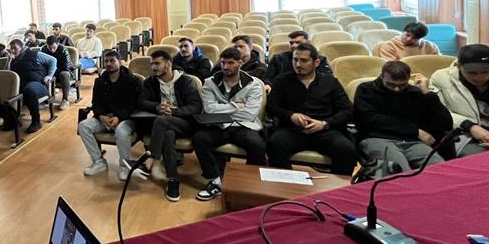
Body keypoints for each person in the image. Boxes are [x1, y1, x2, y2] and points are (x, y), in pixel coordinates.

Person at [266, 42, 358, 176]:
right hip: (293, 129)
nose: (298, 64)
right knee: (275, 144)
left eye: (304, 60)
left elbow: (347, 110)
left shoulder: (330, 82)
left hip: (325, 130)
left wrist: (324, 123)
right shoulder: (282, 81)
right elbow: (271, 107)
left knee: (346, 149)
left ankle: (335, 187)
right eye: (295, 60)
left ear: (316, 62)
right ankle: (287, 184)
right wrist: (290, 115)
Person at [353, 60, 453, 176]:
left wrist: (427, 93)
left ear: (408, 79)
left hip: (411, 141)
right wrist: (414, 131)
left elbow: (446, 123)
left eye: (402, 85)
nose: (397, 89)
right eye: (391, 84)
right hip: (377, 139)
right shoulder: (366, 90)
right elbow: (370, 119)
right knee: (400, 173)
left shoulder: (414, 92)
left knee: (441, 171)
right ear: (381, 76)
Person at [191, 47, 266, 201]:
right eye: (223, 62)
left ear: (240, 63)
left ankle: (249, 181)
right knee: (200, 138)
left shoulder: (253, 84)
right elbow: (209, 109)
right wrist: (235, 106)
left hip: (244, 126)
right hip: (219, 125)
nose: (225, 67)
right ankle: (215, 180)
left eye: (230, 63)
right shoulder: (210, 83)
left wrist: (221, 108)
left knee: (257, 145)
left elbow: (250, 114)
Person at [131, 50, 203, 201]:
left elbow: (195, 107)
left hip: (185, 123)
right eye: (152, 64)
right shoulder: (150, 81)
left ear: (168, 64)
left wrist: (174, 111)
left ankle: (151, 159)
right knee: (167, 134)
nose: (153, 67)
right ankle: (173, 180)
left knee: (162, 121)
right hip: (164, 126)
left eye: (157, 63)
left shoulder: (186, 81)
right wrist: (157, 107)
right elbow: (141, 102)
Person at [78, 49, 141, 180]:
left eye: (112, 61)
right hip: (105, 118)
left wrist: (118, 117)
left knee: (121, 131)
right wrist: (101, 116)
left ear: (120, 62)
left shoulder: (132, 80)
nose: (108, 64)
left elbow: (133, 105)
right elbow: (96, 103)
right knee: (83, 126)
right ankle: (98, 161)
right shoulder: (100, 81)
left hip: (126, 118)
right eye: (106, 61)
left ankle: (124, 166)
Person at [430, 44, 489, 156]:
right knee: (484, 158)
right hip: (464, 133)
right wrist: (469, 126)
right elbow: (439, 112)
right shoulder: (441, 78)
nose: (479, 78)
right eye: (472, 73)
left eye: (485, 72)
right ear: (458, 66)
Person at [7, 38, 57, 133]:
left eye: (15, 48)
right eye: (11, 49)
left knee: (29, 90)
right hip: (21, 85)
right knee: (7, 91)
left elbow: (53, 60)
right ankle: (13, 119)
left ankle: (36, 121)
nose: (12, 51)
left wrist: (50, 75)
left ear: (21, 47)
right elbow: (8, 73)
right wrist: (9, 61)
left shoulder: (34, 54)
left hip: (38, 84)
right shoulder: (13, 60)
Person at [263, 30, 331, 92]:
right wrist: (267, 84)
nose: (294, 45)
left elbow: (326, 79)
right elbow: (268, 77)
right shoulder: (278, 59)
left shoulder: (320, 60)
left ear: (308, 42)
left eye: (298, 42)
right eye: (291, 43)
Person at [41, 34, 75, 109]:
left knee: (64, 74)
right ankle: (45, 98)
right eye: (50, 48)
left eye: (54, 47)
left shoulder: (63, 49)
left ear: (58, 44)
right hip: (49, 72)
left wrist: (52, 73)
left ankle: (65, 99)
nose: (52, 50)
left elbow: (66, 67)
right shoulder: (43, 49)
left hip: (62, 70)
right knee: (40, 74)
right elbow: (42, 65)